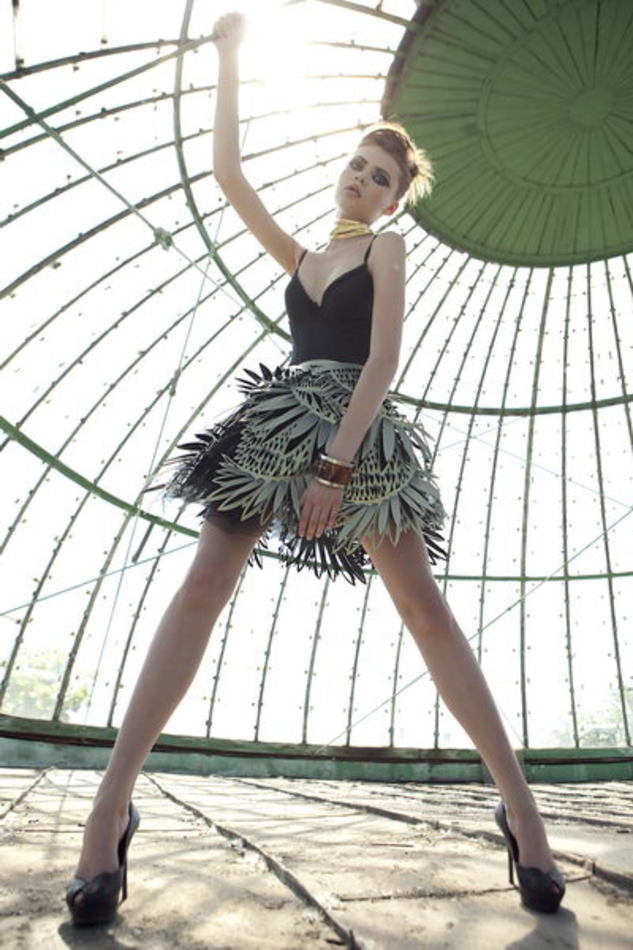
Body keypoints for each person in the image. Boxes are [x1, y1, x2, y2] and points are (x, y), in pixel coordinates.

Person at [65, 10, 565, 926]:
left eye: (380, 178)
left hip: (356, 430)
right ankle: (109, 810)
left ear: (393, 200)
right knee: (203, 583)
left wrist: (335, 467)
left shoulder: (385, 248)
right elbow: (227, 174)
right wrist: (230, 59)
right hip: (275, 421)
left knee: (423, 607)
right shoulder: (302, 257)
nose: (362, 179)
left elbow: (383, 359)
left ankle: (521, 811)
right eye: (358, 165)